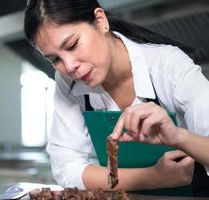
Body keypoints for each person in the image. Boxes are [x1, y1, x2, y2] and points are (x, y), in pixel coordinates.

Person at [23, 0, 205, 192]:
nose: (69, 67)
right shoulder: (68, 80)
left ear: (101, 21)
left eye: (72, 45)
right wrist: (153, 177)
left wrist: (179, 137)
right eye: (55, 59)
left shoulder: (168, 65)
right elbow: (66, 168)